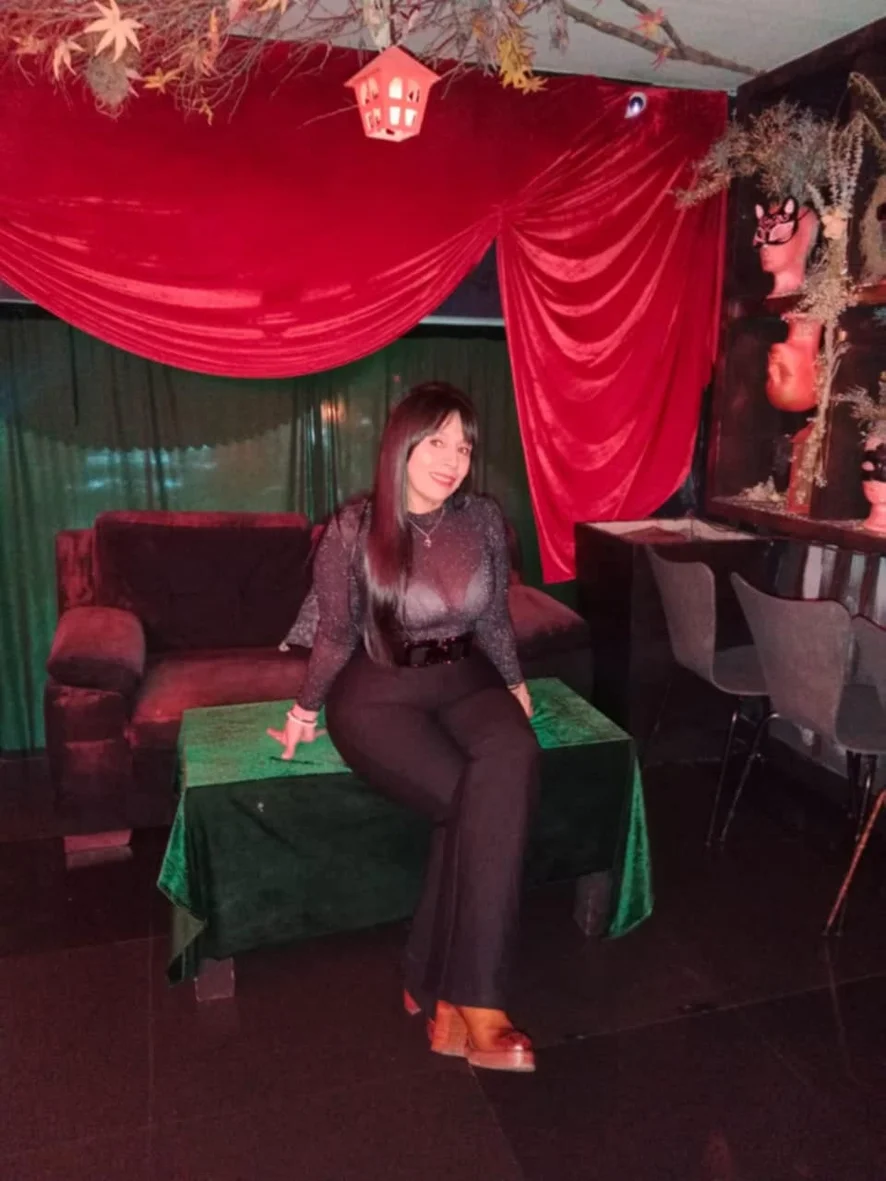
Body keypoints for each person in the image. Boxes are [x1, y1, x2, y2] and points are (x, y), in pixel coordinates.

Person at [268, 382, 539, 1073]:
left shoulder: (481, 518)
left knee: (515, 753)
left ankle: (437, 986)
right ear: (402, 444)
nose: (453, 460)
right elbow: (335, 634)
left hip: (466, 676)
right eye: (438, 442)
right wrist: (304, 711)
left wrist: (514, 682)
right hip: (378, 692)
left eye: (465, 446)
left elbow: (494, 619)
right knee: (470, 802)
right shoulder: (354, 528)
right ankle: (473, 1000)